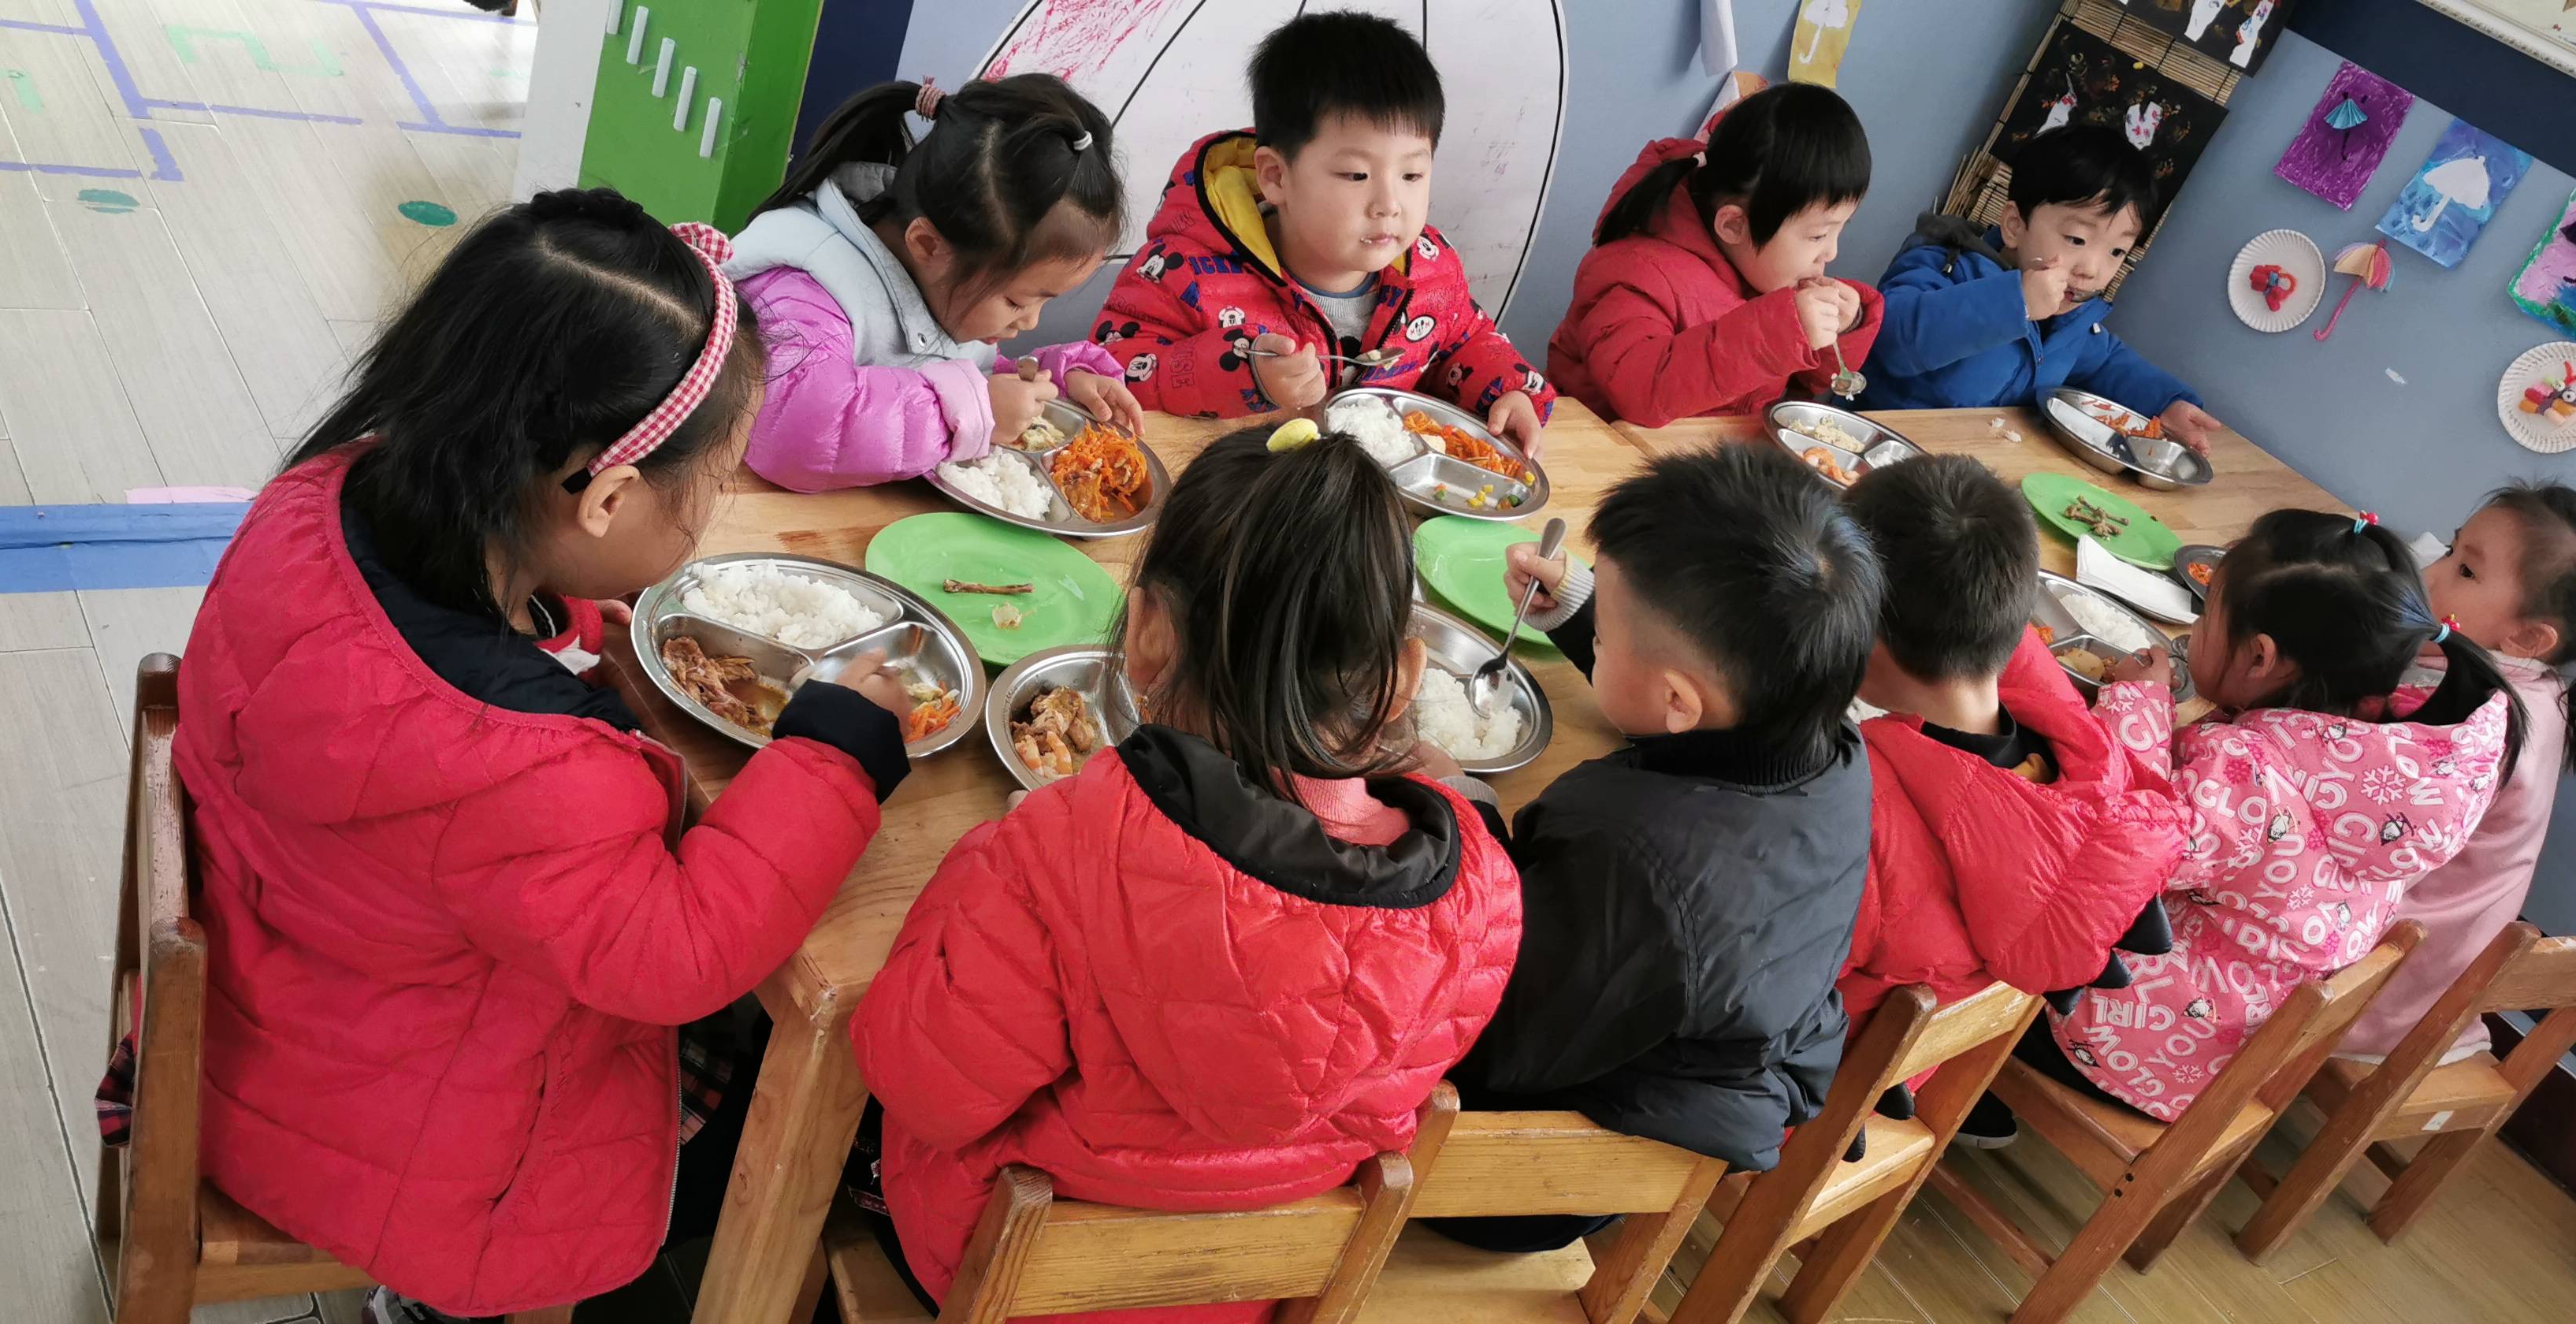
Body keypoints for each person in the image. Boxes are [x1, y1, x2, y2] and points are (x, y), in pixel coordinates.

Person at [170, 190, 914, 1321]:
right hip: (411, 1145)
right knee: (788, 1042)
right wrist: (833, 752)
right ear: (610, 495)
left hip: (293, 999)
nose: (709, 516)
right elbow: (678, 954)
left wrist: (565, 629)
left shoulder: (317, 504)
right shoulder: (518, 768)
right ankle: (432, 1302)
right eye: (711, 491)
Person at [849, 419, 1524, 1323]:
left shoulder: (1052, 853)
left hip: (1008, 1286)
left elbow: (915, 1082)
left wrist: (993, 854)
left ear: (1149, 638)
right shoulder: (1481, 890)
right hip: (1242, 1298)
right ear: (1404, 679)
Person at [1443, 444, 1879, 1251]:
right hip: (1663, 1076)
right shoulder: (1828, 746)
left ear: (1680, 697)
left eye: (1603, 639)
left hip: (1525, 1175)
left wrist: (1459, 808)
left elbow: (1481, 1034)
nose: (1597, 643)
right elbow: (1693, 709)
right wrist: (1583, 609)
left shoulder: (1631, 868)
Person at [2046, 511, 2522, 1121]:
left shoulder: (2253, 770)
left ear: (2261, 657)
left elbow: (2125, 843)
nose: (2194, 632)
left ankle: (1952, 1084)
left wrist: (2137, 707)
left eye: (2206, 616)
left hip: (2126, 1047)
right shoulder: (2394, 763)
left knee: (2005, 863)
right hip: (2218, 1066)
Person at [1839, 456, 2184, 1144]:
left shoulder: (1855, 813)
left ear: (1862, 630)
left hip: (1803, 1100)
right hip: (1901, 1076)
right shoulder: (2088, 768)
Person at [1091, 10, 1558, 450]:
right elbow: (1112, 372)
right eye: (1356, 176)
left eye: (1412, 175)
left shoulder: (1431, 271)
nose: (1389, 205)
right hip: (1239, 504)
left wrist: (1508, 392)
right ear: (1276, 177)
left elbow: (1468, 342)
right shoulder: (1183, 272)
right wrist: (1243, 373)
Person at [2340, 483, 2576, 1062]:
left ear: (2528, 637)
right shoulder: (2538, 686)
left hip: (2376, 982)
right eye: (2453, 550)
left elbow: (2352, 821)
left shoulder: (2478, 717)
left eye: (2467, 572)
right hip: (2432, 973)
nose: (2430, 572)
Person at [727, 73, 1138, 493]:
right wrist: (971, 410)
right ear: (928, 245)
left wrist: (1058, 387)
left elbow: (962, 378)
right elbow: (796, 430)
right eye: (1017, 302)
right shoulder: (805, 285)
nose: (1030, 322)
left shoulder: (948, 284)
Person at [1861, 125, 2221, 452]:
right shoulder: (1944, 265)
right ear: (2015, 226)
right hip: (1875, 448)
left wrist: (2166, 403)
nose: (2092, 270)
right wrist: (2014, 303)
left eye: (2116, 251)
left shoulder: (2071, 321)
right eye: (2077, 239)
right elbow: (1890, 338)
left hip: (1966, 472)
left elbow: (2106, 363)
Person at [1547, 82, 1884, 426]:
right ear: (1734, 226)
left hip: (1705, 461)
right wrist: (1779, 333)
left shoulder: (1765, 272)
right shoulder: (1635, 271)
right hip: (1595, 456)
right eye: (1817, 235)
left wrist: (1838, 333)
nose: (1831, 252)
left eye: (1841, 229)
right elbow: (1640, 391)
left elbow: (1805, 386)